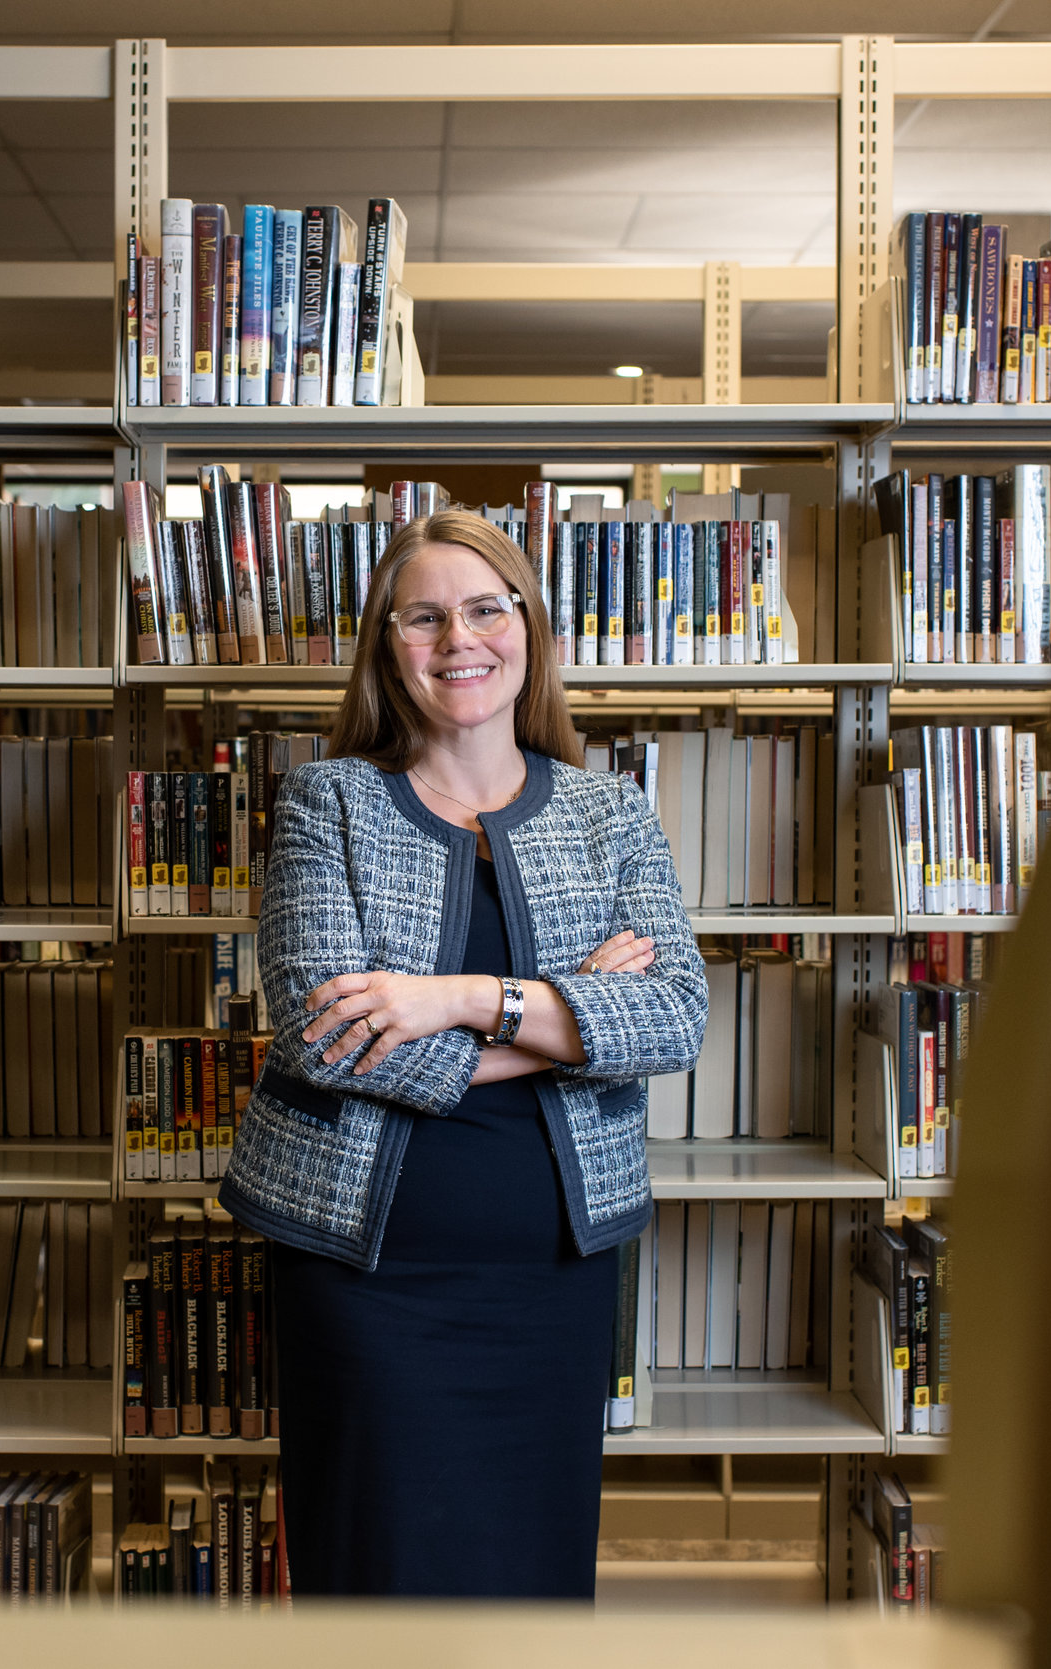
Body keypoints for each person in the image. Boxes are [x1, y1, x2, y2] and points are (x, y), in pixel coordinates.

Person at [216, 508, 707, 1599]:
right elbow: (321, 1038)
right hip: (364, 1274)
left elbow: (673, 1014)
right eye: (425, 617)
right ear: (387, 646)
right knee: (376, 1581)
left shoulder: (607, 811)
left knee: (531, 1585)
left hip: (552, 1277)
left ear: (527, 627)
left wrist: (452, 999)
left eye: (487, 609)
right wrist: (566, 1023)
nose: (459, 640)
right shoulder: (324, 801)